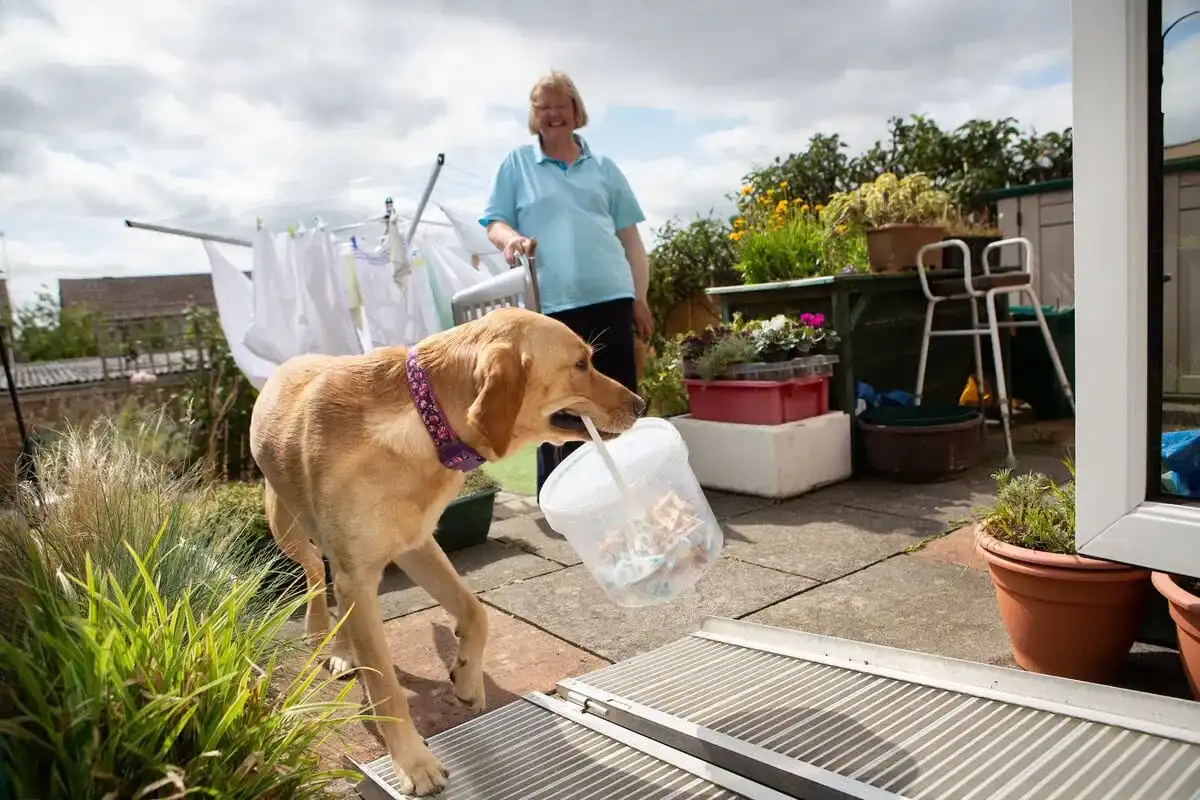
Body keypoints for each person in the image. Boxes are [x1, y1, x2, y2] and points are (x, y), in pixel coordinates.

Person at [481, 70, 654, 499]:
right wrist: (511, 240)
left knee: (615, 399)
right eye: (543, 106)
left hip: (610, 296)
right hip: (551, 306)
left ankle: (623, 491)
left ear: (577, 111)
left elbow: (630, 239)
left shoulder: (605, 168)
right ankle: (562, 497)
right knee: (556, 403)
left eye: (561, 104)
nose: (553, 113)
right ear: (533, 116)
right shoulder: (516, 165)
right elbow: (495, 223)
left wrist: (640, 297)